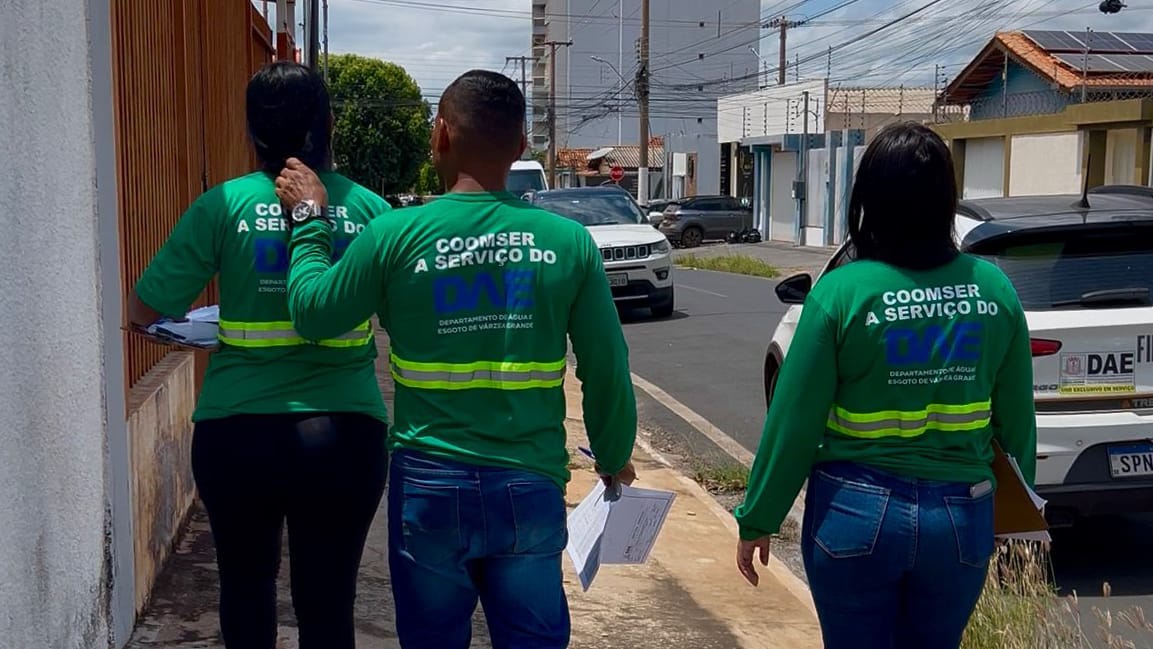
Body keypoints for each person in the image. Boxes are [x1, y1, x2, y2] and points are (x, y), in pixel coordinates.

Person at [274, 69, 638, 649]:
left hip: (429, 486)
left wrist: (308, 222)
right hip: (528, 483)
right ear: (521, 145)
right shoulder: (568, 243)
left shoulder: (394, 235)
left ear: (440, 133)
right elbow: (606, 366)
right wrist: (614, 455)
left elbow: (314, 312)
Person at [732, 122, 1037, 649]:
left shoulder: (841, 293)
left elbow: (794, 422)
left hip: (855, 513)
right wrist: (1018, 522)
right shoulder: (993, 290)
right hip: (960, 519)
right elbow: (1016, 423)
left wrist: (759, 517)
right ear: (946, 199)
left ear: (869, 200)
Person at [127, 61, 391, 649]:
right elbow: (404, 318)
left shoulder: (221, 205)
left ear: (251, 131)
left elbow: (145, 308)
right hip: (345, 434)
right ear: (328, 123)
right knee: (329, 601)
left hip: (237, 433)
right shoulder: (373, 212)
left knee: (245, 589)